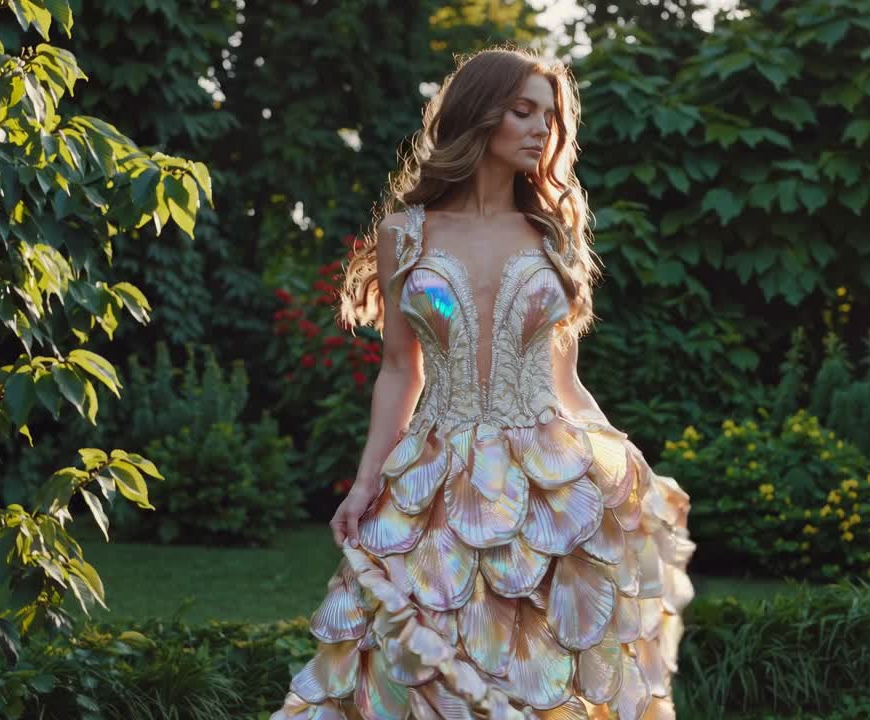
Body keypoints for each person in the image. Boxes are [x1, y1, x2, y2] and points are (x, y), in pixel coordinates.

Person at [270, 44, 695, 720]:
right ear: (477, 116)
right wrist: (365, 481)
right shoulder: (405, 234)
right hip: (435, 479)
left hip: (546, 481)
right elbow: (400, 370)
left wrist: (619, 453)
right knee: (418, 666)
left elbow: (565, 379)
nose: (540, 130)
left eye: (550, 119)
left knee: (544, 666)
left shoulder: (551, 232)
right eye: (523, 111)